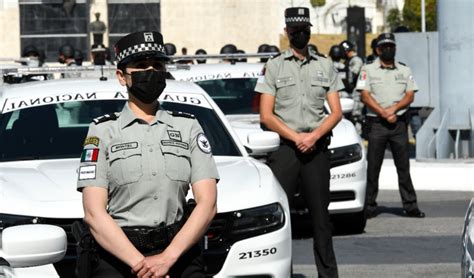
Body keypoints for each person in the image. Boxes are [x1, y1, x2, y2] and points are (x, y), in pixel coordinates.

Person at [76, 31, 219, 277]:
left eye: (158, 65)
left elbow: (208, 203)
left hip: (179, 253)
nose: (151, 71)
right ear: (122, 76)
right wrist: (142, 265)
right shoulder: (102, 131)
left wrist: (167, 259)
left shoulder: (188, 127)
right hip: (120, 254)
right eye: (141, 66)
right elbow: (93, 212)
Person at [255, 7, 341, 278]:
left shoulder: (324, 64)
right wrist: (297, 138)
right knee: (279, 219)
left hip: (316, 149)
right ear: (286, 32)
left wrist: (313, 137)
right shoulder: (274, 66)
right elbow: (266, 115)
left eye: (303, 30)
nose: (299, 34)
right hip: (286, 150)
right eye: (294, 31)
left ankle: (328, 275)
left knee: (321, 221)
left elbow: (336, 111)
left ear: (310, 31)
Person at [356, 33, 425, 219]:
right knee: (373, 168)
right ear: (378, 50)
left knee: (403, 168)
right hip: (377, 124)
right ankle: (369, 206)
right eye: (384, 46)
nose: (388, 49)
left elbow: (410, 95)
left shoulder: (403, 70)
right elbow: (365, 95)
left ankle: (411, 206)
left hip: (399, 125)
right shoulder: (368, 69)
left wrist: (393, 110)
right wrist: (383, 112)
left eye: (391, 46)